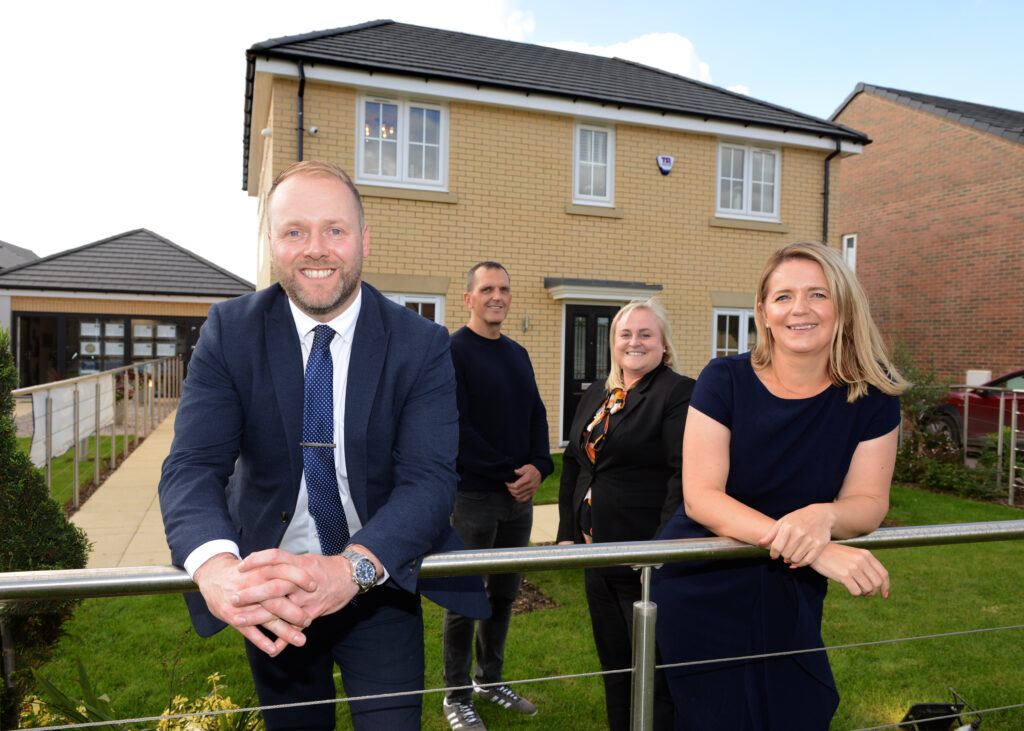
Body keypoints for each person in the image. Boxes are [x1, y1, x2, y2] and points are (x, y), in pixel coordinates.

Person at [159, 160, 487, 731]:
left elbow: (429, 481)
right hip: (272, 592)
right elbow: (192, 464)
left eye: (335, 230)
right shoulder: (229, 331)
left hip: (378, 584)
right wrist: (216, 568)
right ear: (271, 244)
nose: (317, 249)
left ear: (364, 240)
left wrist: (349, 571)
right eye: (295, 231)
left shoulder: (421, 344)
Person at [651, 241, 907, 730]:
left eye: (818, 294)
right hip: (703, 580)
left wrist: (825, 516)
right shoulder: (723, 378)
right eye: (784, 296)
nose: (800, 309)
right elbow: (702, 497)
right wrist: (817, 550)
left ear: (843, 308)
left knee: (797, 712)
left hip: (791, 586)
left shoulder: (874, 393)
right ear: (764, 313)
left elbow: (870, 502)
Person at [557, 299, 694, 731]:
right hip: (596, 556)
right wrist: (567, 534)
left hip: (643, 557)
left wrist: (660, 549)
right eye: (625, 334)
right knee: (615, 667)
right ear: (613, 343)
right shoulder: (598, 394)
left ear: (664, 343)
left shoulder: (677, 393)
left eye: (645, 334)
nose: (634, 342)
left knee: (654, 672)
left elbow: (682, 475)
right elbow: (577, 463)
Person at [441, 262, 554, 731]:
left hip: (517, 501)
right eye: (487, 288)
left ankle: (491, 680)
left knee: (504, 593)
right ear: (468, 298)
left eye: (504, 289)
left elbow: (536, 415)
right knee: (465, 597)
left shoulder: (518, 353)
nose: (497, 296)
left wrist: (539, 467)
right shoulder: (452, 351)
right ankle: (456, 695)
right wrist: (511, 471)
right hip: (474, 497)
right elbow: (456, 428)